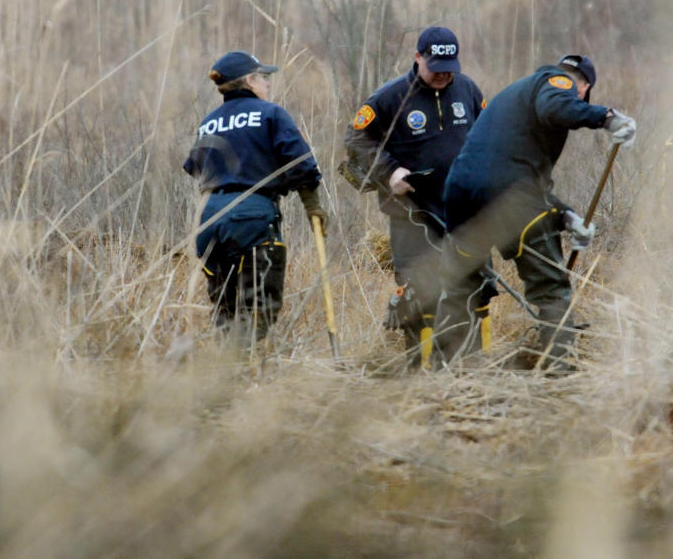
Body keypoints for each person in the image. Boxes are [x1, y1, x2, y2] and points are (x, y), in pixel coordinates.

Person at [434, 54, 637, 372]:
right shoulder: (557, 81)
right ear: (583, 86)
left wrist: (567, 217)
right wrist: (608, 118)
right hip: (510, 198)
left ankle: (454, 370)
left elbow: (509, 173)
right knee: (550, 287)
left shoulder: (514, 96)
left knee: (462, 286)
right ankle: (556, 369)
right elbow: (554, 107)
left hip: (460, 196)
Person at [343, 27, 487, 368]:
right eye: (435, 65)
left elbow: (485, 133)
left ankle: (468, 372)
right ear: (418, 57)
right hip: (413, 215)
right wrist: (389, 171)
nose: (443, 73)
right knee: (418, 291)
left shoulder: (466, 88)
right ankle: (416, 374)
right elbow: (356, 139)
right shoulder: (390, 98)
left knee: (469, 288)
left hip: (461, 211)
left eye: (449, 65)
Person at [182, 50, 328, 344]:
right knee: (258, 309)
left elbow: (193, 167)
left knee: (225, 309)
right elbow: (301, 164)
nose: (268, 83)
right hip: (252, 217)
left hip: (209, 219)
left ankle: (227, 373)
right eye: (263, 77)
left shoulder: (208, 122)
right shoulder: (271, 113)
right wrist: (313, 207)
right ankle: (250, 374)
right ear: (249, 81)